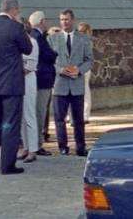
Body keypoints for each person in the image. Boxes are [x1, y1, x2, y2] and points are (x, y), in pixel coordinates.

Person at [0, 0, 33, 175]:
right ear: (15, 11)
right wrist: (19, 27)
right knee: (10, 124)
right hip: (12, 84)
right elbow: (28, 49)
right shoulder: (15, 27)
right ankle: (7, 164)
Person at [49, 9, 92, 157]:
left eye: (66, 19)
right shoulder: (53, 39)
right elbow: (47, 61)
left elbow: (89, 60)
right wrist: (59, 70)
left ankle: (80, 147)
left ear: (72, 20)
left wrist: (79, 70)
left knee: (78, 119)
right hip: (60, 84)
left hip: (76, 84)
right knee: (59, 118)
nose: (64, 22)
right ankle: (63, 146)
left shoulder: (83, 38)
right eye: (61, 20)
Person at [29, 11, 56, 153]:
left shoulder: (35, 36)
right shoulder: (38, 37)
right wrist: (55, 53)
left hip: (39, 79)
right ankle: (37, 143)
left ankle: (35, 142)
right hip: (42, 79)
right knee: (40, 112)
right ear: (41, 21)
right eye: (45, 20)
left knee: (37, 112)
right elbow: (48, 55)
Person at [18, 17, 40, 164]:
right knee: (21, 117)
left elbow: (30, 65)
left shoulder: (32, 42)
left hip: (28, 78)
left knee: (29, 115)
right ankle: (25, 146)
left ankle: (33, 148)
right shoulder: (18, 44)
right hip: (18, 80)